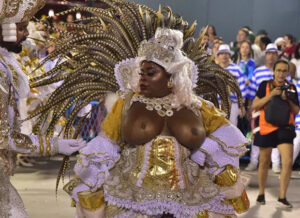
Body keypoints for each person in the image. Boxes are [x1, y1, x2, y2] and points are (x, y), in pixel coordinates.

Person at [31, 2, 250, 217]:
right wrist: (92, 178)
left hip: (190, 197)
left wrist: (206, 157)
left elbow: (226, 138)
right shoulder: (127, 103)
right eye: (141, 72)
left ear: (171, 77)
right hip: (133, 198)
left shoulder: (197, 106)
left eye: (151, 73)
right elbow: (107, 143)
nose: (143, 78)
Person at [0, 1, 86, 217]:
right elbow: (3, 138)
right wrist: (53, 145)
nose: (26, 33)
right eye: (20, 28)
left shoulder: (6, 67)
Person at [252, 59, 299, 208]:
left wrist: (288, 99)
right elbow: (255, 105)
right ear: (274, 71)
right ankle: (261, 194)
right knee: (264, 162)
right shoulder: (264, 85)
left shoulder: (291, 87)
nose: (281, 74)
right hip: (266, 127)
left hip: (285, 129)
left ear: (288, 73)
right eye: (278, 70)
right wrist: (272, 95)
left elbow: (296, 111)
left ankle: (282, 196)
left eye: (284, 71)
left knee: (287, 162)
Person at [245, 44, 283, 173]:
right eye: (269, 53)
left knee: (276, 134)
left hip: (277, 109)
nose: (271, 56)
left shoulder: (282, 71)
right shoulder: (258, 71)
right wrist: (249, 108)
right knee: (256, 135)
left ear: (277, 55)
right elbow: (251, 92)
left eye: (274, 53)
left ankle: (276, 163)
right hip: (260, 108)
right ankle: (253, 162)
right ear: (265, 55)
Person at [216, 44, 247, 126]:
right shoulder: (213, 69)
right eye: (222, 53)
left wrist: (241, 106)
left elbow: (242, 89)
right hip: (216, 104)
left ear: (229, 55)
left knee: (232, 128)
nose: (224, 56)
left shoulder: (237, 70)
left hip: (233, 104)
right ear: (218, 56)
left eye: (226, 53)